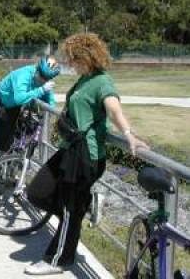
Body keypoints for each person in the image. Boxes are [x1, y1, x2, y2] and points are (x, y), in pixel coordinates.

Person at [25, 33, 149, 275]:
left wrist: (129, 134)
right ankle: (85, 205)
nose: (70, 64)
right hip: (69, 150)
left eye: (74, 59)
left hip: (86, 156)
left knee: (70, 209)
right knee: (37, 193)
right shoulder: (84, 79)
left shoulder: (102, 82)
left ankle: (57, 260)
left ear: (87, 57)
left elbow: (114, 109)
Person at [0, 55, 60, 171]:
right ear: (38, 68)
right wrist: (41, 90)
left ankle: (1, 174)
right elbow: (19, 98)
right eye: (41, 74)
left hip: (11, 108)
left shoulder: (43, 82)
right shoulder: (25, 74)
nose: (42, 79)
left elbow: (50, 103)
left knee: (5, 144)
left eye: (46, 78)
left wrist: (50, 109)